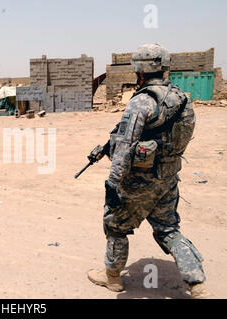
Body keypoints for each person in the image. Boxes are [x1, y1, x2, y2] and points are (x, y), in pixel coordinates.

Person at [87, 43, 210, 299]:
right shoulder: (181, 98)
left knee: (116, 226)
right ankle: (197, 284)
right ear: (165, 68)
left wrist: (112, 184)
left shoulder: (141, 101)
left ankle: (112, 278)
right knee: (168, 230)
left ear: (139, 71)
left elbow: (123, 147)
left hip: (138, 183)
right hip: (167, 179)